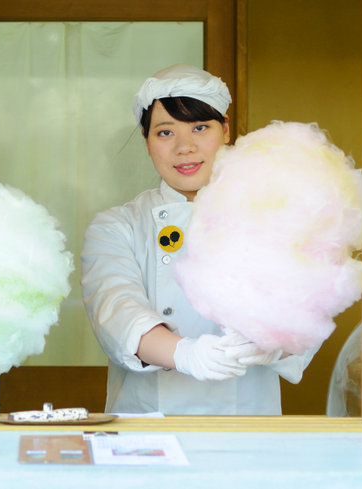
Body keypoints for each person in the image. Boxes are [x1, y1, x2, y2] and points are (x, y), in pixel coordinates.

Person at [81, 64, 316, 415]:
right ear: (146, 142)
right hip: (147, 427)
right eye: (165, 133)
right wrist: (186, 354)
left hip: (246, 429)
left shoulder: (269, 219)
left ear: (225, 131)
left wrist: (273, 345)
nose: (184, 147)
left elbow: (307, 312)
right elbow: (116, 312)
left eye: (200, 127)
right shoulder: (117, 226)